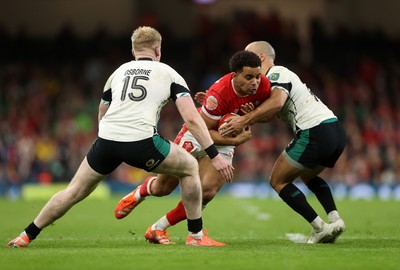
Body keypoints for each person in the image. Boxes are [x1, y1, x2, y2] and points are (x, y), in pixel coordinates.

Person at [7, 26, 234, 248]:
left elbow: (102, 111)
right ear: (158, 50)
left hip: (106, 141)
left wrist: (107, 141)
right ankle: (195, 235)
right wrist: (214, 155)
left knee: (73, 192)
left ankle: (26, 235)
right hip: (141, 142)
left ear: (133, 51)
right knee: (189, 168)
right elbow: (192, 119)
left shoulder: (118, 73)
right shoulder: (168, 73)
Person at [114, 50, 271, 245]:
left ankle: (159, 228)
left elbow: (271, 113)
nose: (255, 82)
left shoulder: (264, 86)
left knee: (206, 192)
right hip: (197, 135)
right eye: (249, 77)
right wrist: (236, 140)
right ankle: (143, 191)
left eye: (257, 76)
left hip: (224, 138)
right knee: (164, 188)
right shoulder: (218, 94)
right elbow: (205, 132)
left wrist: (251, 117)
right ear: (235, 75)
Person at [219, 41, 346, 244]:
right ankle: (335, 219)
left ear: (261, 57)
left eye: (249, 56)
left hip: (314, 130)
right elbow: (271, 113)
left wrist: (244, 120)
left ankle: (319, 227)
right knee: (308, 175)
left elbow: (277, 102)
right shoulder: (266, 84)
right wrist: (250, 114)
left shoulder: (277, 73)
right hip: (335, 130)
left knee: (277, 181)